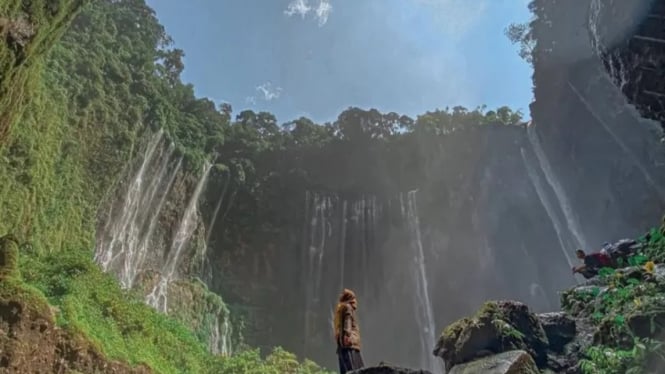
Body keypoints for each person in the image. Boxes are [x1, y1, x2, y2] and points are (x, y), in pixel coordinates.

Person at [334, 289, 364, 374]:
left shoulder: (340, 308)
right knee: (353, 368)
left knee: (345, 368)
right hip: (350, 343)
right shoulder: (348, 307)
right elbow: (348, 321)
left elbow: (339, 324)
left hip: (342, 344)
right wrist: (347, 334)